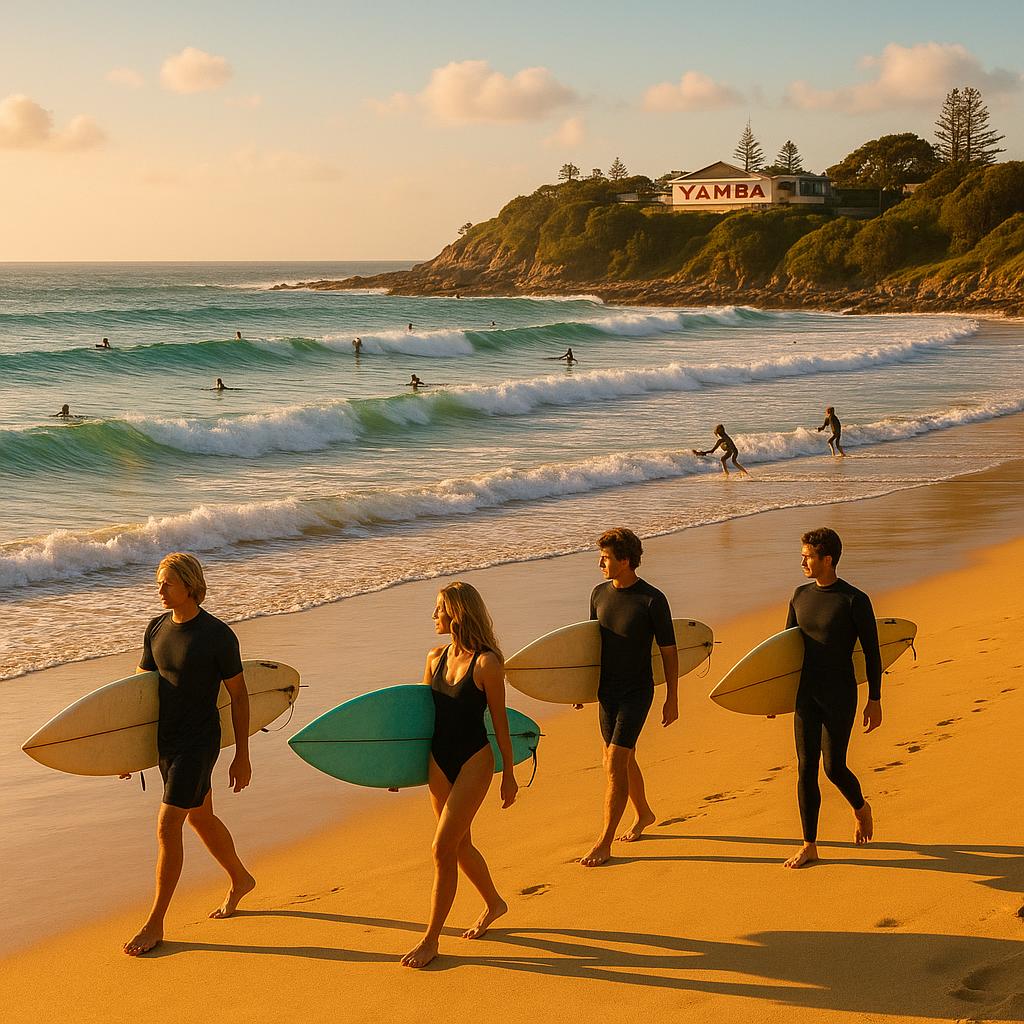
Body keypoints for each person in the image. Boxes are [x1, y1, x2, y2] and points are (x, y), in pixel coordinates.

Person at [121, 553, 255, 956]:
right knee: (200, 816)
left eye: (166, 583)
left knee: (167, 827)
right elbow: (142, 695)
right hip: (168, 741)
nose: (159, 590)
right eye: (159, 582)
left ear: (189, 585)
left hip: (199, 743)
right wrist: (125, 753)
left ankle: (155, 922)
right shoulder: (156, 629)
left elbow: (239, 695)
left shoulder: (217, 636)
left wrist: (242, 754)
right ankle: (241, 879)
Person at [401, 582, 518, 969]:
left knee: (441, 849)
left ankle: (431, 939)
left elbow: (500, 724)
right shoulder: (434, 658)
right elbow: (420, 722)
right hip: (438, 761)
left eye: (439, 610)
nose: (434, 616)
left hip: (473, 760)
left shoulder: (487, 663)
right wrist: (397, 768)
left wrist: (509, 774)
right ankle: (495, 904)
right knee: (459, 845)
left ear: (457, 614)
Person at [579, 528, 678, 868]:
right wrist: (577, 690)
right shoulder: (598, 595)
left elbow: (669, 651)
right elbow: (591, 648)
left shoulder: (652, 600)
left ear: (625, 560)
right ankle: (644, 813)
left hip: (637, 691)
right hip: (607, 692)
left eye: (605, 558)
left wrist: (672, 697)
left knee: (615, 763)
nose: (600, 564)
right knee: (620, 758)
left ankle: (605, 841)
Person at [783, 527, 881, 870]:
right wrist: (773, 699)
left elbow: (872, 653)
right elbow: (786, 653)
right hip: (805, 694)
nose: (802, 561)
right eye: (802, 555)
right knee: (805, 769)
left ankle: (860, 807)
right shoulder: (799, 596)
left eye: (808, 556)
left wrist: (875, 699)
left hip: (840, 692)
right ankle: (810, 844)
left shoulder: (854, 600)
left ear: (827, 559)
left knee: (833, 767)